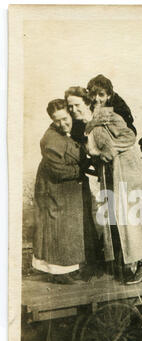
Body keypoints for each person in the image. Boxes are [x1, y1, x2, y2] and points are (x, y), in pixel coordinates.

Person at [84, 105, 142, 284]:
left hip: (132, 174)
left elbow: (129, 136)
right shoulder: (90, 125)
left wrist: (106, 152)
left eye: (78, 105)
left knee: (139, 219)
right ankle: (134, 262)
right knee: (126, 220)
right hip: (119, 175)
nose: (74, 109)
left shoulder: (109, 116)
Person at [32, 99, 95, 284]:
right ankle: (58, 272)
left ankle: (72, 267)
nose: (63, 123)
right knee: (58, 227)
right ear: (52, 120)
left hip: (68, 188)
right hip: (54, 188)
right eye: (57, 120)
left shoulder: (72, 130)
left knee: (71, 228)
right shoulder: (50, 139)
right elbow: (58, 171)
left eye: (65, 118)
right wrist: (81, 170)